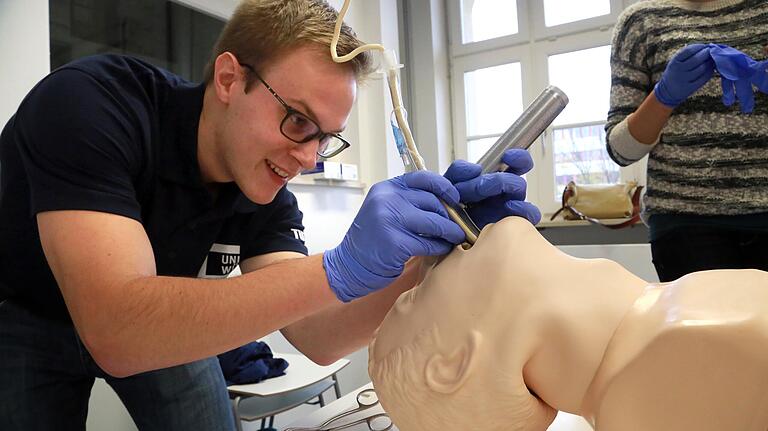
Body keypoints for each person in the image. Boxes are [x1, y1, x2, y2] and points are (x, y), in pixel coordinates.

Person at [0, 0, 540, 430]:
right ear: (230, 79)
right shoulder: (91, 106)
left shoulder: (260, 186)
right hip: (24, 314)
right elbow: (117, 330)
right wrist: (337, 268)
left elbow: (319, 335)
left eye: (325, 138)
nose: (307, 158)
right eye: (298, 121)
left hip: (158, 314)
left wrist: (426, 257)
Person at [368, 217, 768, 431]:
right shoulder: (681, 355)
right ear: (453, 364)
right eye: (416, 296)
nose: (435, 258)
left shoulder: (664, 335)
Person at [605, 0, 768, 282]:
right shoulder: (641, 22)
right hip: (685, 223)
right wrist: (663, 96)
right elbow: (620, 150)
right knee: (705, 326)